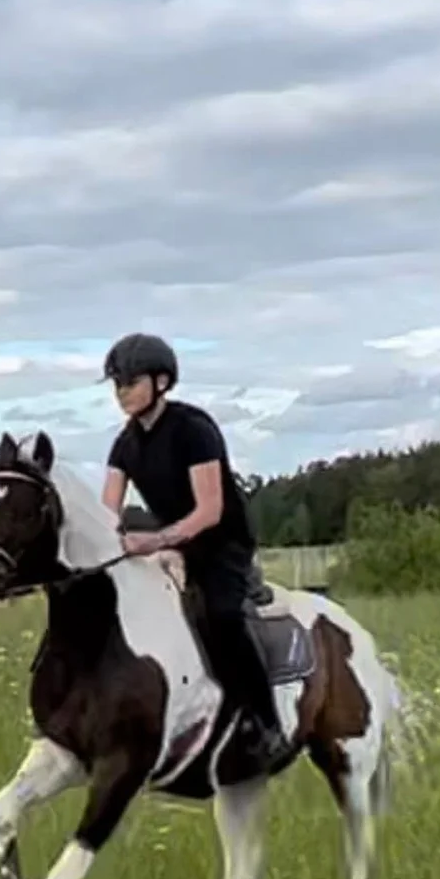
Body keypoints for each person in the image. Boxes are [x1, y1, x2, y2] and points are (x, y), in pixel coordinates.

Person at [100, 331, 294, 774]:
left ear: (162, 381)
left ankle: (267, 727)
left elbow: (209, 511)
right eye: (117, 384)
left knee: (222, 615)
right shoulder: (124, 444)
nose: (122, 392)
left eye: (130, 381)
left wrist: (152, 541)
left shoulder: (194, 429)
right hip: (172, 543)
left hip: (221, 543)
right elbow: (107, 512)